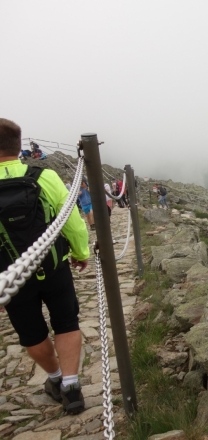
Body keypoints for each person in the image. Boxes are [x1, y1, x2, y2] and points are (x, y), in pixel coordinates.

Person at [0, 118, 89, 414]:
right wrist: (80, 252)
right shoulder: (43, 176)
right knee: (66, 322)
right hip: (53, 266)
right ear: (19, 144)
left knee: (31, 333)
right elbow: (73, 221)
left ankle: (54, 379)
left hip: (11, 277)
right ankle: (72, 386)